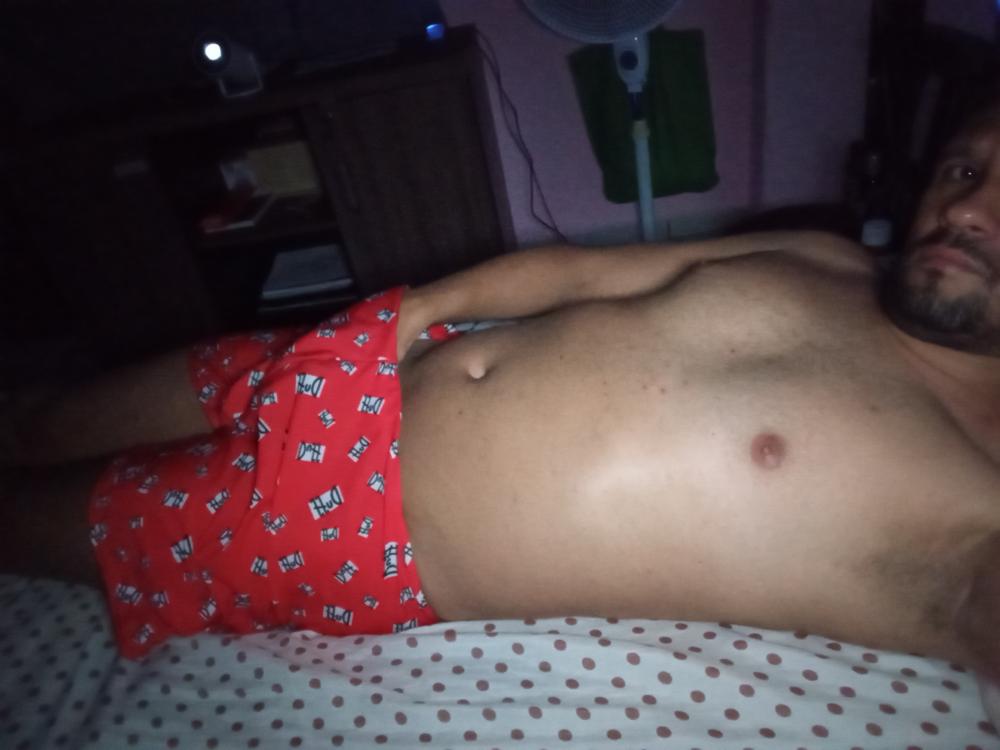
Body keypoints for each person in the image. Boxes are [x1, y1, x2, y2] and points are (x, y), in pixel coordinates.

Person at [4, 102, 1000, 678]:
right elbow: (580, 272)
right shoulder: (827, 257)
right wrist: (407, 315)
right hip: (361, 357)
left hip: (346, 523)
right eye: (966, 168)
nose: (969, 209)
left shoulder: (974, 501)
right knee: (41, 418)